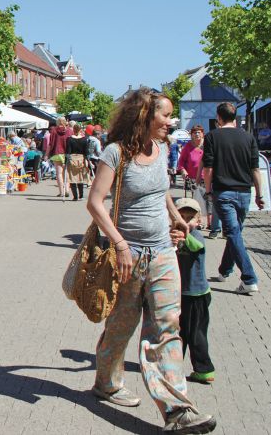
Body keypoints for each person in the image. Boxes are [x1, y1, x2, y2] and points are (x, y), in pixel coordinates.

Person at [85, 89, 213, 433]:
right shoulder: (115, 154)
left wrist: (176, 218)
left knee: (166, 327)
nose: (171, 123)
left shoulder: (163, 149)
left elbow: (162, 192)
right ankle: (106, 383)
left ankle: (177, 410)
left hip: (163, 254)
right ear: (143, 116)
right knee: (121, 326)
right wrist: (121, 245)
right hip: (129, 258)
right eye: (165, 116)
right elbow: (95, 203)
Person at [203, 101, 263, 294]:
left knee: (233, 233)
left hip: (223, 192)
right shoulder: (248, 137)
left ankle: (249, 278)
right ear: (235, 117)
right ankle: (224, 270)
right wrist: (260, 194)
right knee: (234, 233)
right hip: (245, 192)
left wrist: (208, 189)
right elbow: (256, 168)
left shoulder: (212, 136)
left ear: (218, 118)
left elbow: (208, 168)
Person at [174, 197, 215, 385]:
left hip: (197, 295)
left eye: (190, 217)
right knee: (179, 331)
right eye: (181, 216)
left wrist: (185, 235)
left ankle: (204, 369)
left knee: (196, 333)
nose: (185, 220)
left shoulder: (196, 235)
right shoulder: (174, 235)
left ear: (198, 221)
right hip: (181, 294)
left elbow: (196, 246)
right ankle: (173, 366)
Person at [65, 123, 91, 201]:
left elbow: (68, 151)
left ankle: (75, 196)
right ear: (80, 130)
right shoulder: (84, 139)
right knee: (80, 177)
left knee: (72, 178)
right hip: (81, 159)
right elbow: (86, 152)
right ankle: (81, 195)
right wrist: (88, 161)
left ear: (73, 130)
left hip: (72, 159)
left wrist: (66, 161)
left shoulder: (69, 139)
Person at [46, 118, 71, 199]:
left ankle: (61, 192)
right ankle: (67, 190)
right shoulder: (69, 130)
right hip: (67, 153)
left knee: (59, 173)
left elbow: (50, 144)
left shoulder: (54, 130)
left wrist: (46, 154)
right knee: (66, 172)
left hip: (57, 153)